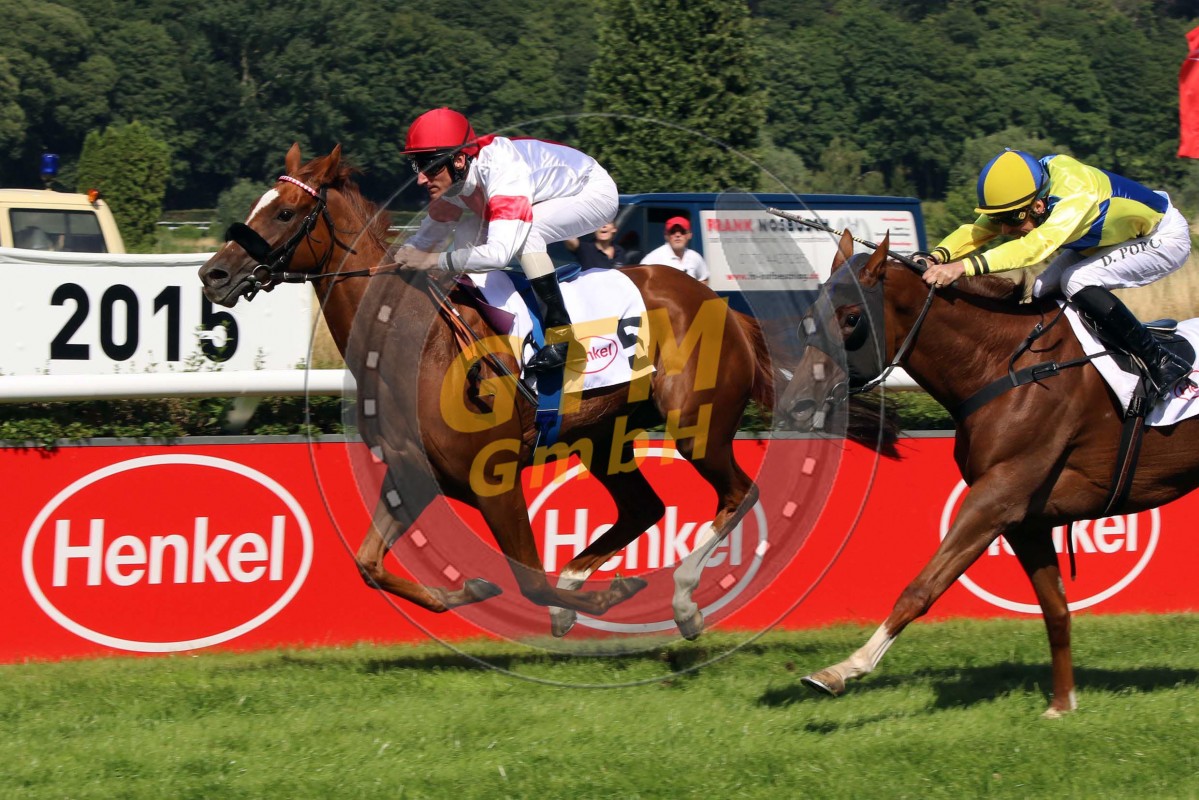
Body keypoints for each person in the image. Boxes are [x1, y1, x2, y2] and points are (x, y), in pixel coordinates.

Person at [921, 148, 1194, 401]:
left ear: (1039, 206)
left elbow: (1032, 249)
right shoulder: (1031, 190)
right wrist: (937, 256)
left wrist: (961, 268)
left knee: (1077, 280)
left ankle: (1160, 361)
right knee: (1042, 289)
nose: (1004, 230)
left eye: (1012, 219)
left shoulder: (1077, 195)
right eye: (1001, 219)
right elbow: (978, 230)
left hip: (1162, 238)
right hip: (1111, 240)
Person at [393, 107, 618, 372]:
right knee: (466, 231)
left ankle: (562, 338)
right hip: (544, 192)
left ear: (459, 160)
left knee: (528, 234)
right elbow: (423, 241)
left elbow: (499, 254)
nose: (421, 178)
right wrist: (398, 258)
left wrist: (430, 261)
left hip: (592, 191)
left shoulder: (502, 171)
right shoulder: (453, 181)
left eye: (429, 166)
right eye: (417, 165)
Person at [640, 216, 709, 284]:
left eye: (682, 231)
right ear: (666, 235)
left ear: (689, 235)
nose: (678, 235)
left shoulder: (695, 257)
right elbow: (640, 279)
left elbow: (704, 278)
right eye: (673, 232)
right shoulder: (654, 258)